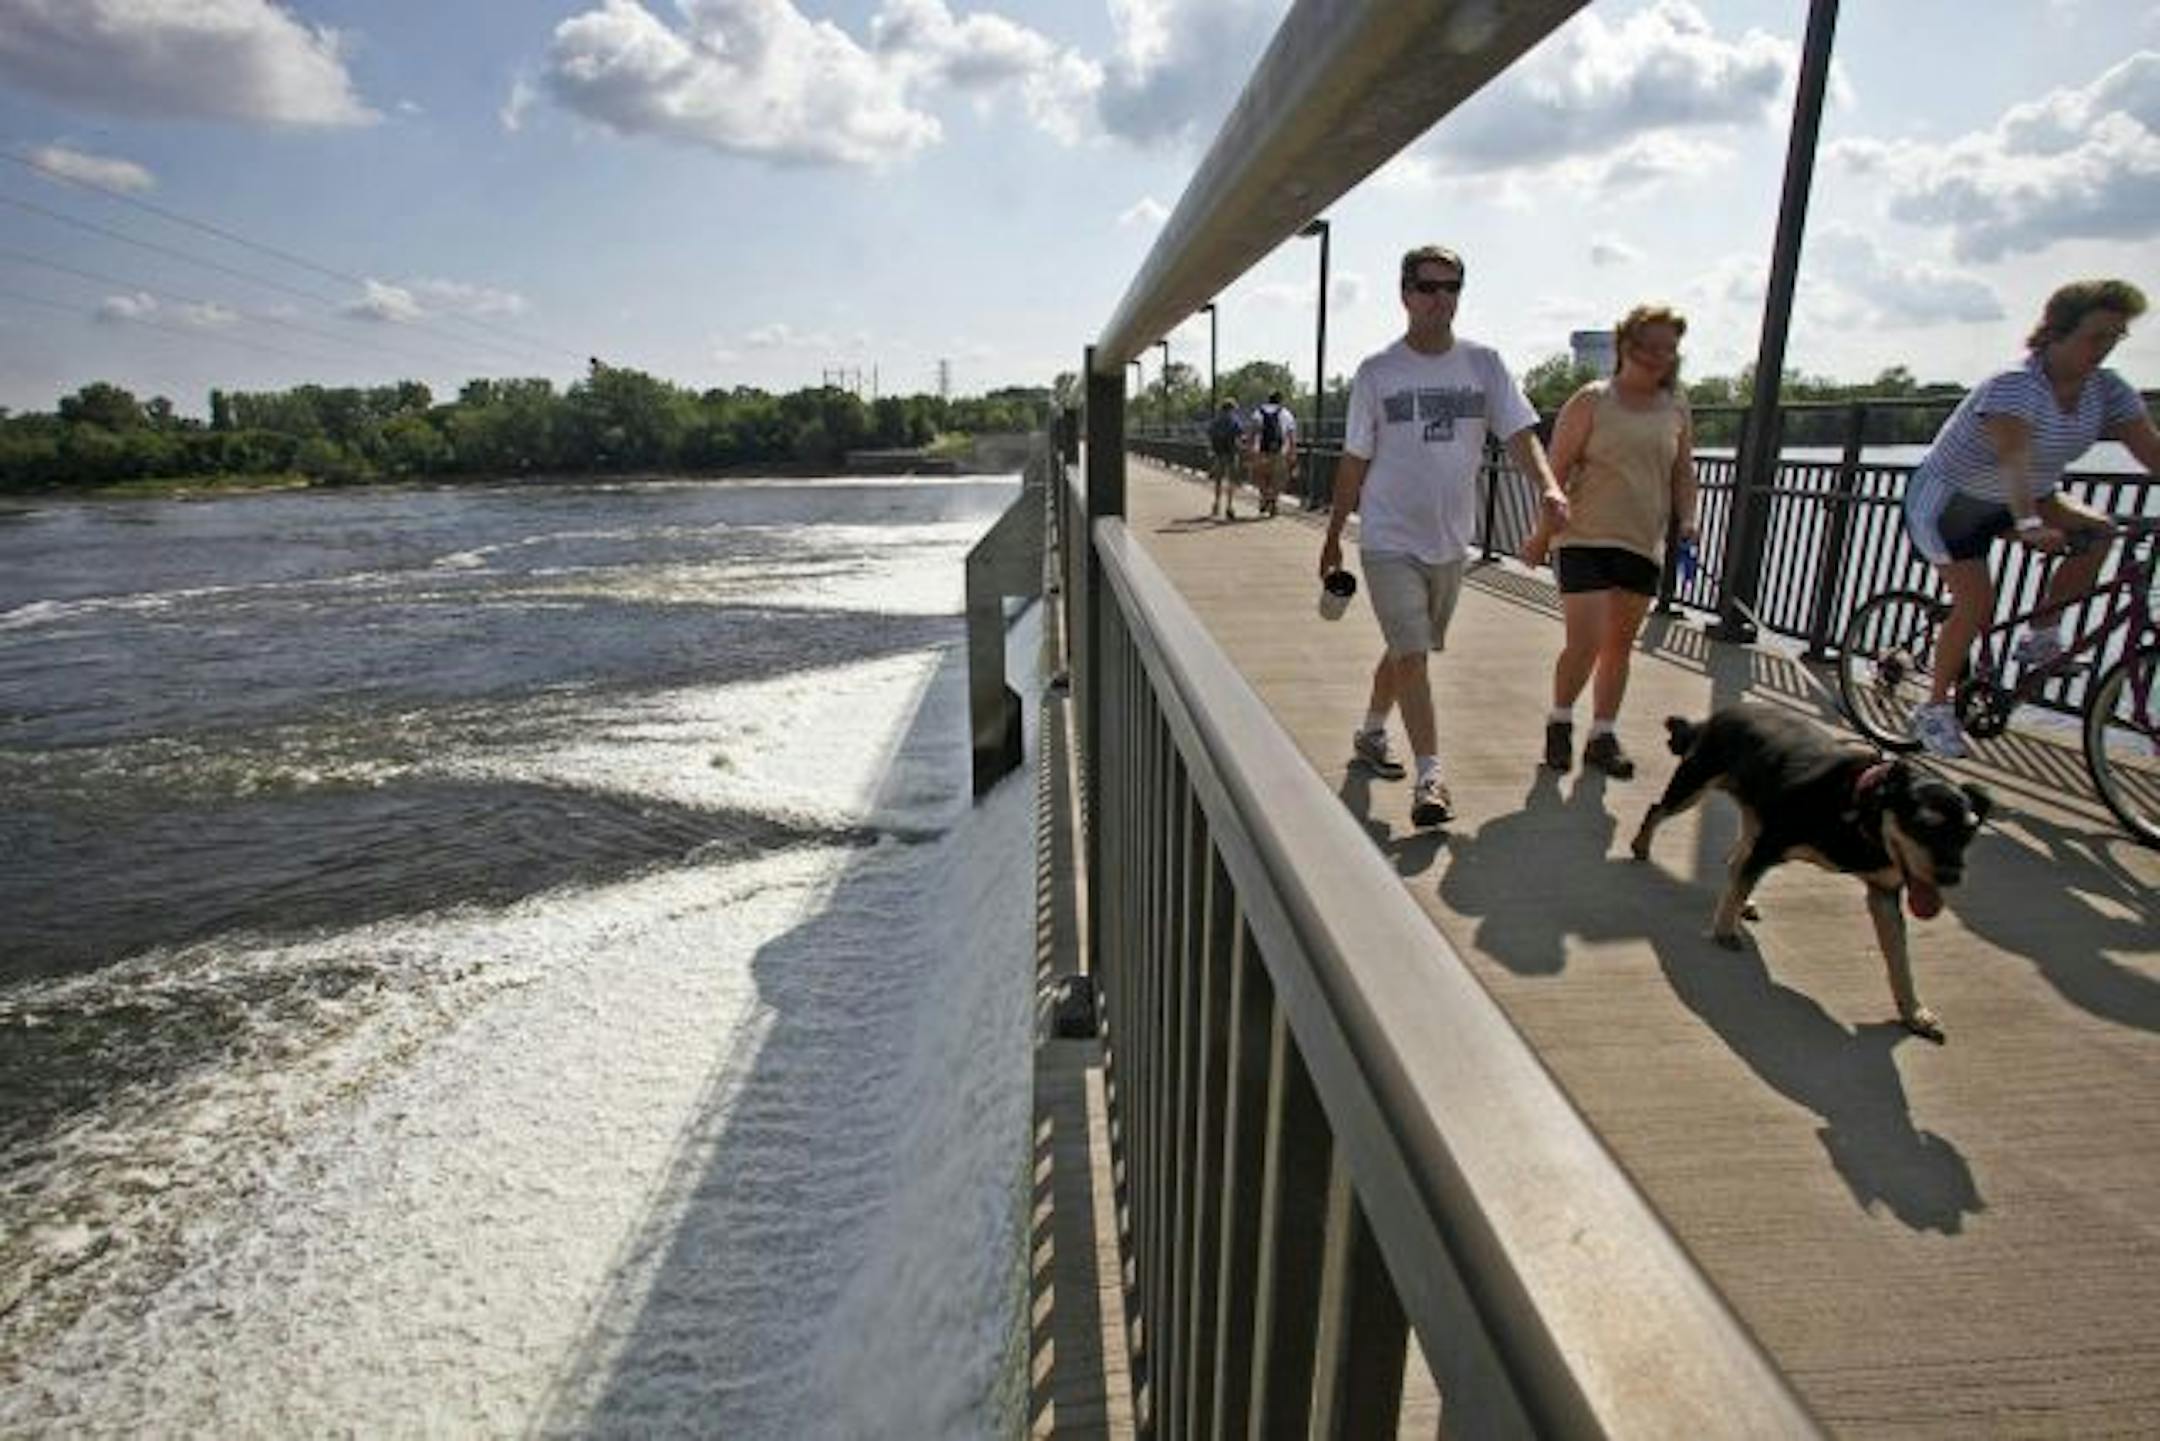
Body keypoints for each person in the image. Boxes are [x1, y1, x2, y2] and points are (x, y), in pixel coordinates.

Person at [1318, 244, 1569, 826]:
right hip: (1386, 537)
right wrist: (1334, 536)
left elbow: (1520, 435)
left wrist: (1549, 488)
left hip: (1449, 541)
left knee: (1408, 649)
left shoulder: (1484, 365)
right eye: (1429, 288)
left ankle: (1372, 733)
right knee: (1412, 653)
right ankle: (1432, 780)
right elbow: (1354, 461)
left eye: (1452, 288)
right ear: (1405, 295)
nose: (1441, 300)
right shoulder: (1378, 373)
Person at [1901, 279, 2160, 758]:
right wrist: (2027, 526)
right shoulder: (2017, 384)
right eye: (2095, 336)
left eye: (2115, 337)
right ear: (2056, 332)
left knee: (2100, 531)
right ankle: (1933, 707)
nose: (2104, 349)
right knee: (1977, 604)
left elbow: (2152, 452)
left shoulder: (2108, 390)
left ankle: (2041, 634)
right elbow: (2013, 458)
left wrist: (2033, 516)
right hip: (1952, 501)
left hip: (2028, 496)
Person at [1528, 304, 1700, 778]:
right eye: (1649, 346)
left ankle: (1602, 735)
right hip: (1583, 534)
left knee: (1619, 646)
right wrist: (1541, 535)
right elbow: (1554, 471)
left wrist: (1689, 520)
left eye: (1668, 349)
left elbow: (1683, 472)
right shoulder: (1592, 400)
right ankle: (1560, 721)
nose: (1658, 357)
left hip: (1642, 541)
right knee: (1584, 640)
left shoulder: (1676, 405)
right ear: (1625, 345)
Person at [1251, 390, 1297, 516]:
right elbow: (1291, 434)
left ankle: (1264, 497)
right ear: (1280, 400)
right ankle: (1273, 501)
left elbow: (1254, 431)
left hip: (1261, 450)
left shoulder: (1258, 412)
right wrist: (1293, 451)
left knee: (1261, 475)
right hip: (1279, 451)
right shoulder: (1286, 413)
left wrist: (1250, 448)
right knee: (1278, 478)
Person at [1205, 397, 1246, 519]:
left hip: (1219, 454)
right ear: (1232, 409)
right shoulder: (1234, 421)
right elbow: (1240, 436)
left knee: (1218, 481)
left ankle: (1216, 503)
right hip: (1232, 454)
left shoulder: (1215, 421)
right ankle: (1229, 506)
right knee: (1231, 481)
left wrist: (1211, 449)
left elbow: (1209, 435)